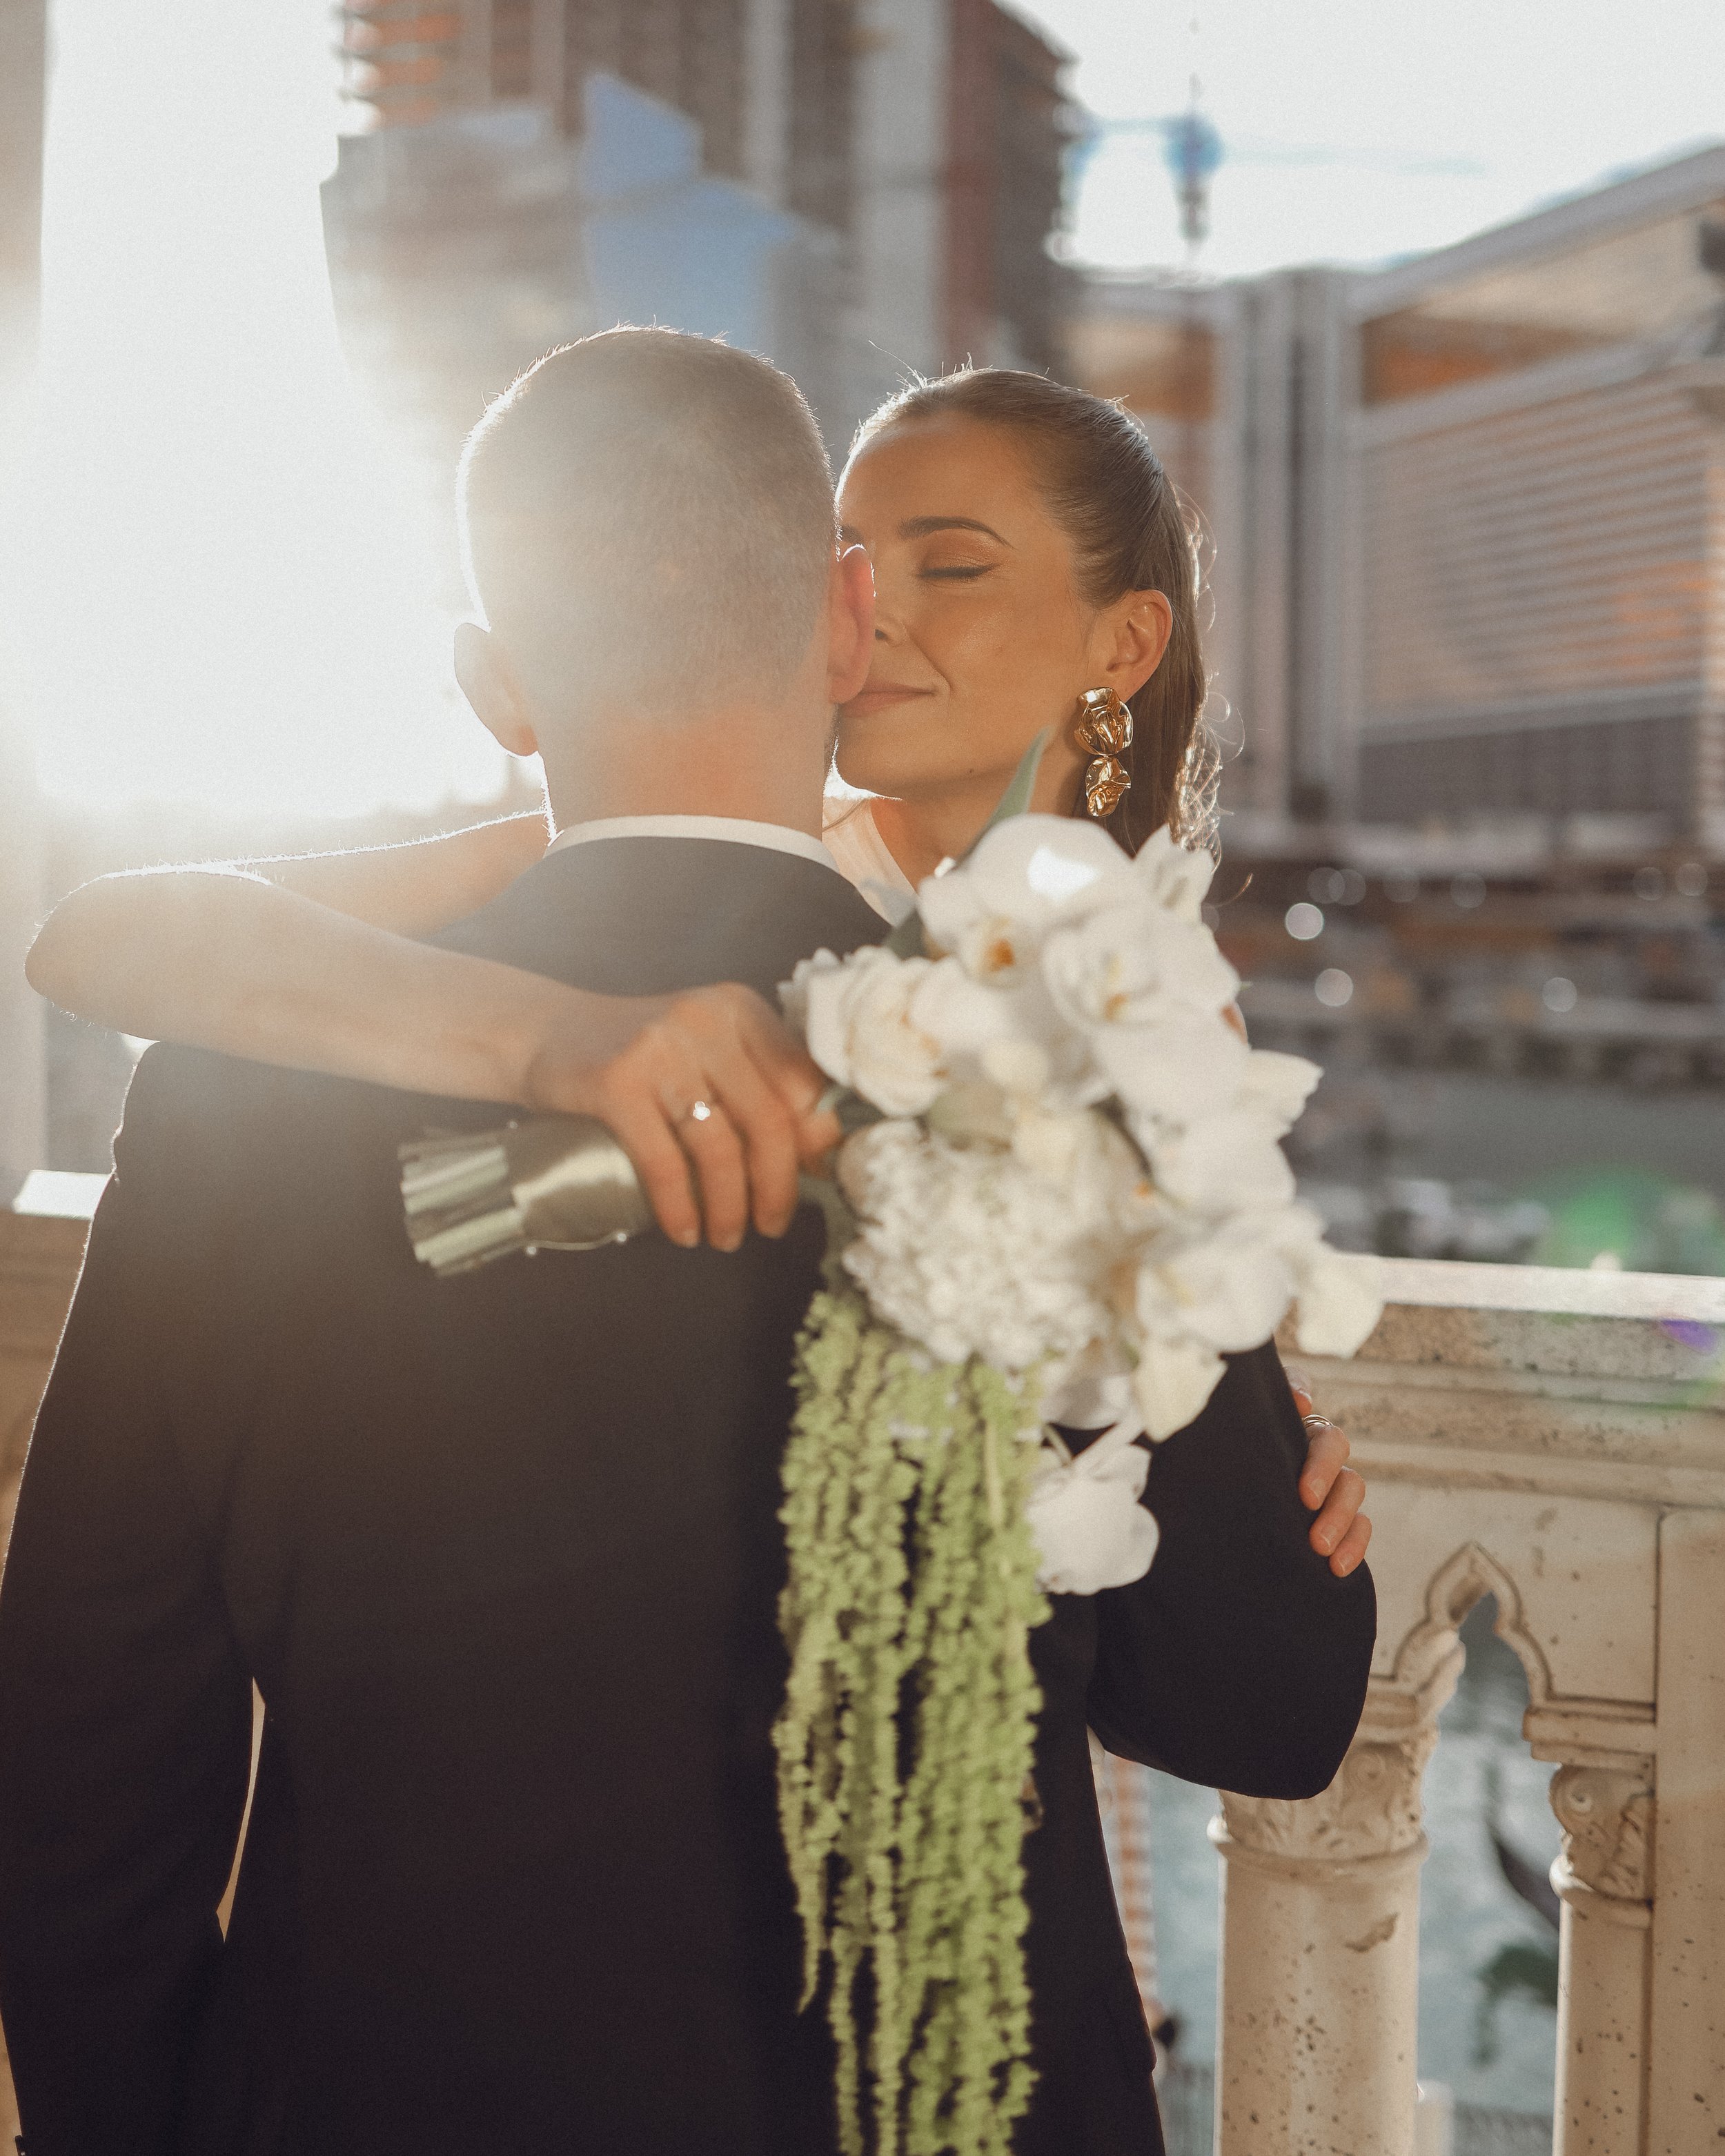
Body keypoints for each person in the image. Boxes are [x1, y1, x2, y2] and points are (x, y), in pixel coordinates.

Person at [0, 333, 1375, 2156]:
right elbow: (1263, 1703)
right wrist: (1235, 1409)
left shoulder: (240, 1092)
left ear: (496, 682)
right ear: (842, 620)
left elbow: (87, 1746)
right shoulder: (1062, 1069)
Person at [24, 366, 1372, 1581]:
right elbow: (104, 938)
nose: (877, 610)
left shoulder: (1145, 1007)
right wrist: (543, 1037)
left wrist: (1242, 1423)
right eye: (848, 559)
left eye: (948, 570)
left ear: (1123, 645)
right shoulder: (733, 859)